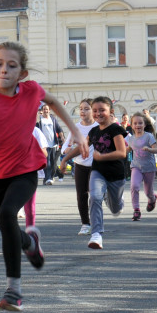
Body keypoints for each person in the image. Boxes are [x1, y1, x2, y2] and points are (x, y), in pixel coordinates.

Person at [0, 41, 88, 311]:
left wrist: (75, 130)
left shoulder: (30, 90)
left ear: (22, 73)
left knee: (7, 216)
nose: (4, 70)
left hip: (25, 169)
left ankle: (13, 291)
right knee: (8, 229)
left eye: (11, 66)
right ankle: (29, 241)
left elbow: (51, 101)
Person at [63, 96, 126, 250]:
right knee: (95, 197)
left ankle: (117, 201)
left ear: (110, 112)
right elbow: (81, 147)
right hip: (97, 171)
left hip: (116, 175)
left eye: (102, 110)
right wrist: (65, 159)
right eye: (95, 110)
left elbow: (122, 153)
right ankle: (96, 234)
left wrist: (102, 156)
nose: (98, 113)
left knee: (115, 208)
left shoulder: (116, 129)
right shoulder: (94, 131)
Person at [59, 99, 98, 235]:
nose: (82, 111)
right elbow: (66, 145)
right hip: (80, 165)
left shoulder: (98, 127)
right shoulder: (75, 128)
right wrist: (66, 150)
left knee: (94, 196)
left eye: (86, 108)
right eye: (81, 108)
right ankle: (85, 224)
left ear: (93, 111)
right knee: (81, 195)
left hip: (95, 166)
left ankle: (95, 221)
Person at [126, 112, 157, 221]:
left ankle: (152, 199)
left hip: (149, 167)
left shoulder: (148, 136)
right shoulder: (131, 139)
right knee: (134, 186)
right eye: (135, 123)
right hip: (136, 166)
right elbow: (128, 150)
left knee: (148, 192)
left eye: (140, 123)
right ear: (132, 125)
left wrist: (149, 149)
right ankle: (136, 210)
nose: (138, 125)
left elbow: (156, 149)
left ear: (144, 125)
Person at [36, 104, 63, 184]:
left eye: (47, 109)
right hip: (44, 144)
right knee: (46, 162)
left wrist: (62, 137)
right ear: (42, 110)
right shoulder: (39, 120)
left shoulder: (53, 119)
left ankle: (49, 177)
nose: (46, 111)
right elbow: (35, 129)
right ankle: (48, 178)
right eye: (44, 109)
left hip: (53, 144)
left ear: (49, 110)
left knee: (53, 162)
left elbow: (59, 128)